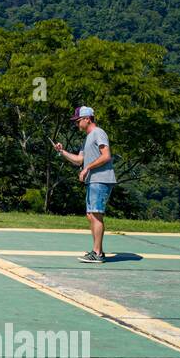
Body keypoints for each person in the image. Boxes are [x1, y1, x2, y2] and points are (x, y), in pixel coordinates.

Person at [53, 105, 116, 264]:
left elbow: (106, 156)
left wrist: (87, 168)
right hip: (93, 180)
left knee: (96, 214)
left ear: (87, 119)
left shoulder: (98, 133)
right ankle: (96, 251)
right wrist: (62, 151)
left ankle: (97, 253)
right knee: (91, 215)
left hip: (101, 179)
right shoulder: (87, 138)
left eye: (78, 120)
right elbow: (79, 160)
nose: (76, 124)